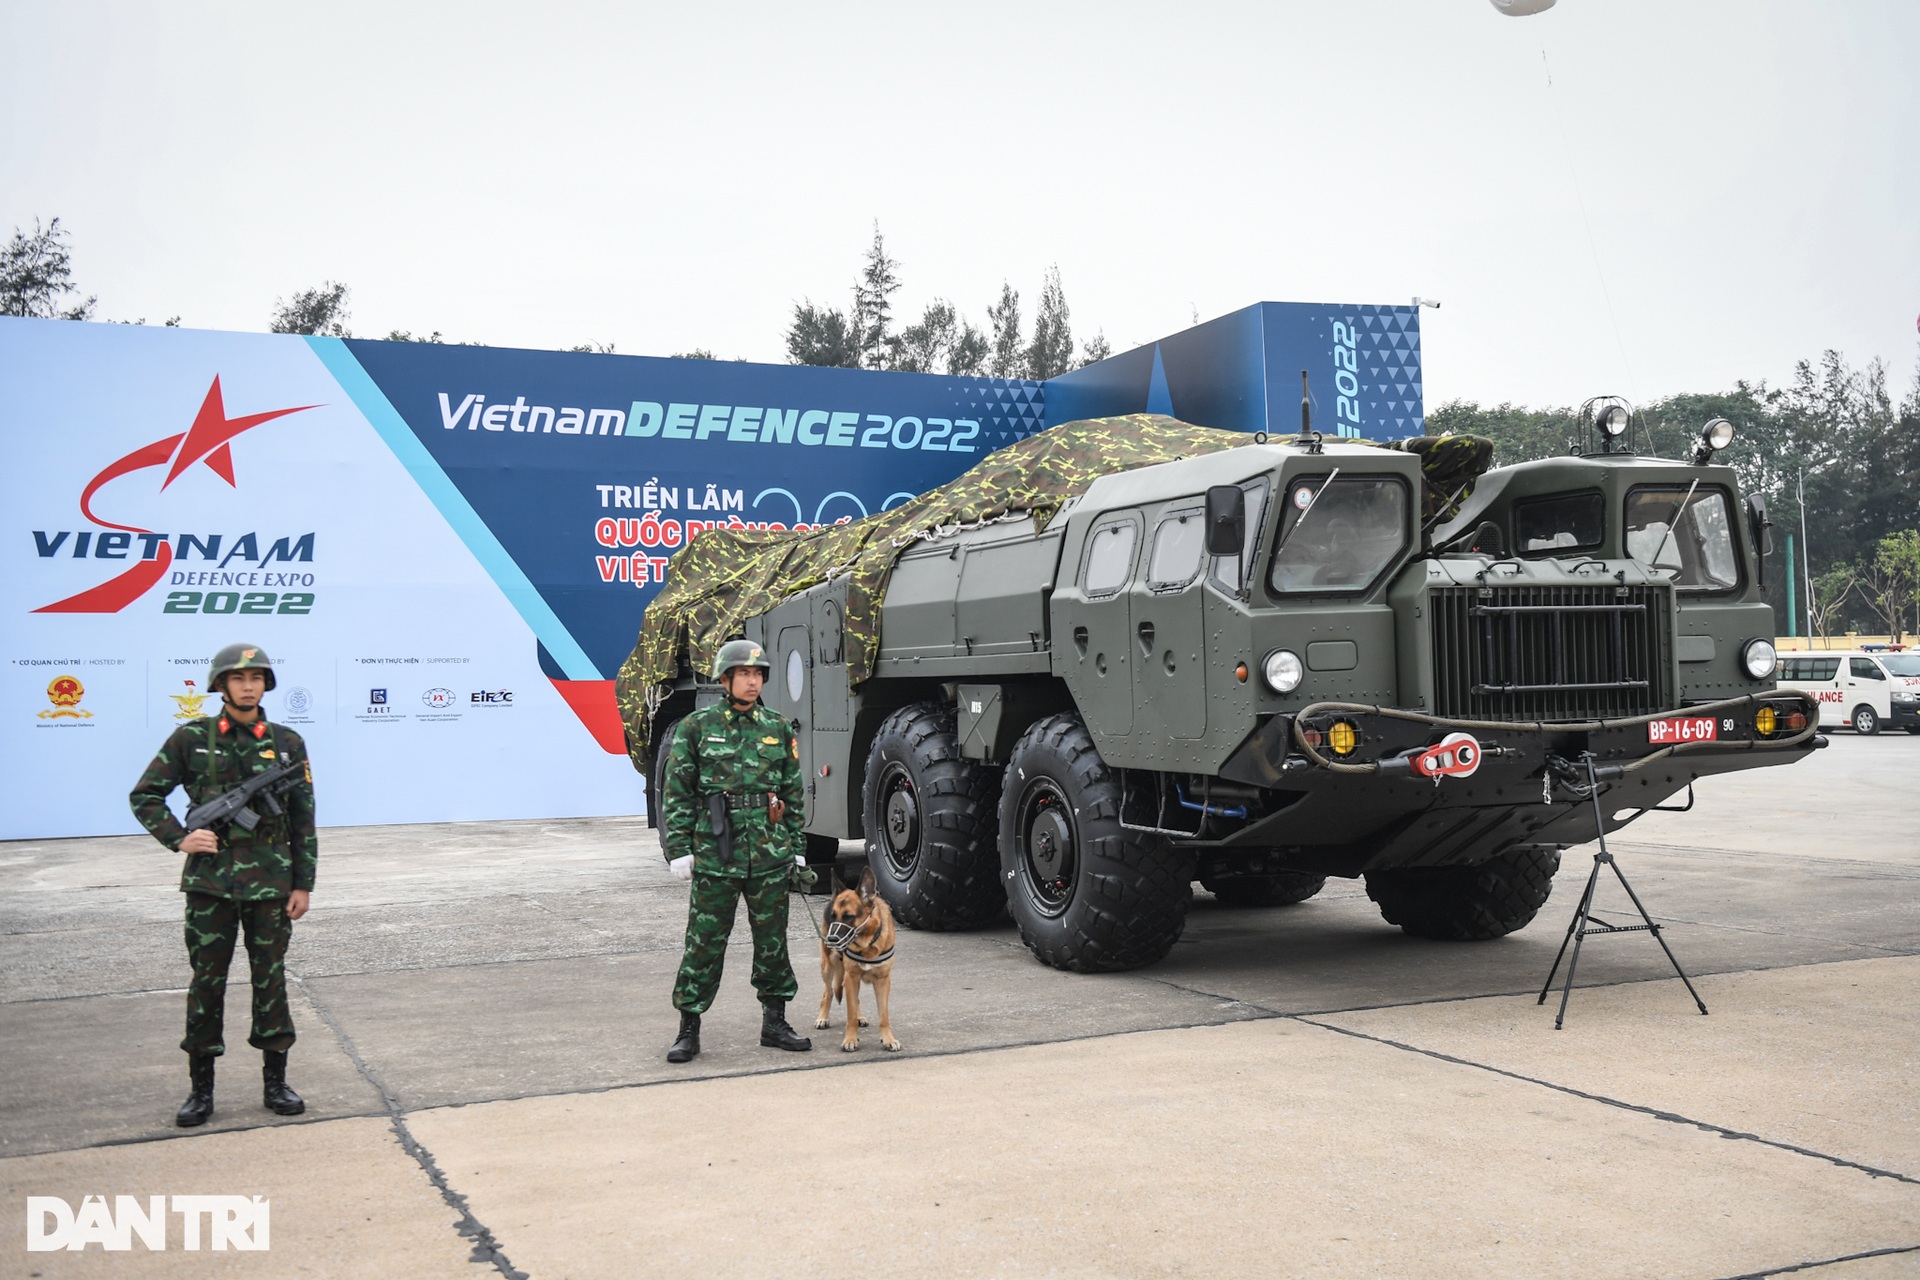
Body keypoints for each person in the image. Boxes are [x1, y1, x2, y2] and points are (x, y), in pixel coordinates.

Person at [129, 643, 316, 1127]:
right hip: (210, 886)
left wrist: (304, 884)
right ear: (221, 685)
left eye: (256, 677)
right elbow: (145, 795)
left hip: (272, 887)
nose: (248, 685)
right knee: (207, 984)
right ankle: (200, 1089)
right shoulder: (191, 737)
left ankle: (275, 1083)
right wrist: (179, 838)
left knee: (270, 982)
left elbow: (303, 819)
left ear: (265, 685)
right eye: (238, 678)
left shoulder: (287, 742)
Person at [660, 638, 812, 1063]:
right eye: (744, 674)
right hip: (715, 852)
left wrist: (796, 847)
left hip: (768, 853)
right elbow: (677, 791)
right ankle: (688, 1028)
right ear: (725, 679)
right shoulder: (697, 728)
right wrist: (679, 848)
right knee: (704, 942)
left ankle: (775, 1022)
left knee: (772, 943)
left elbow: (791, 793)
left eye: (758, 674)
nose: (752, 680)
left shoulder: (778, 728)